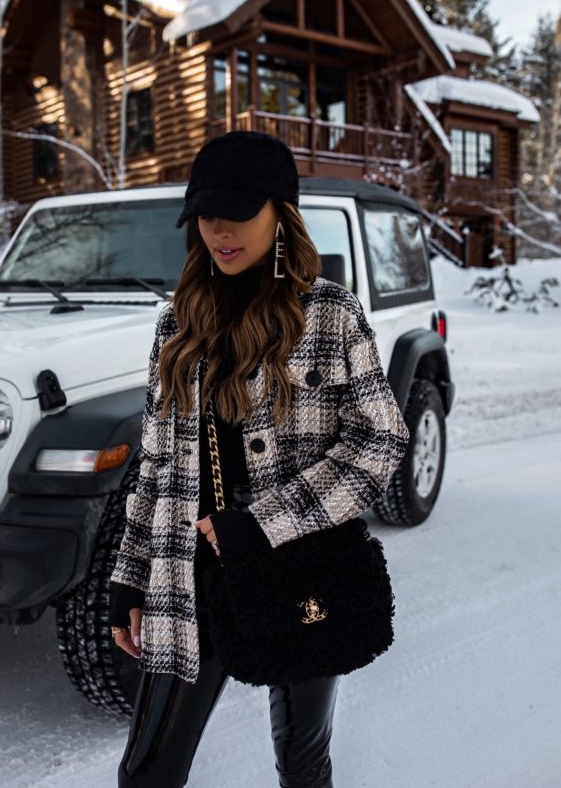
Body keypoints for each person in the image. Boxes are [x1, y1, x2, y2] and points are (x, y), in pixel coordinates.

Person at [108, 131, 410, 787]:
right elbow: (156, 465)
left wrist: (264, 522)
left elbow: (380, 440)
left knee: (302, 761)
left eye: (238, 211)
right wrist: (128, 578)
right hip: (184, 576)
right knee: (147, 773)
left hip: (298, 567)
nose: (220, 229)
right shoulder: (177, 323)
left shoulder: (328, 315)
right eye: (206, 214)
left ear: (281, 211)